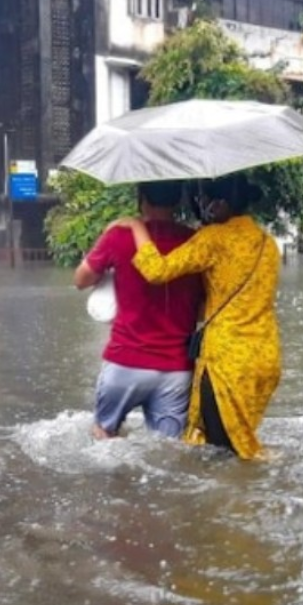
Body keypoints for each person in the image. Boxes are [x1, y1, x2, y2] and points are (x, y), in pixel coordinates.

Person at [111, 175, 281, 460]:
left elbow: (157, 270)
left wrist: (136, 227)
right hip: (265, 359)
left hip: (227, 361)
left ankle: (228, 505)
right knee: (242, 445)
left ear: (222, 203)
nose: (201, 205)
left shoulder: (213, 239)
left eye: (206, 199)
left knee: (221, 457)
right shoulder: (268, 244)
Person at [74, 181, 204, 440]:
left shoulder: (119, 236)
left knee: (103, 437)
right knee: (168, 453)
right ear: (179, 201)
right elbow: (202, 311)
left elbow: (81, 280)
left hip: (125, 363)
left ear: (141, 198)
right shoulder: (196, 243)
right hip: (177, 370)